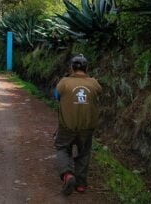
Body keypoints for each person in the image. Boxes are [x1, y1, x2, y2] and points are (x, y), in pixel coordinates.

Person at [53, 54, 102, 196]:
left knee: (62, 148)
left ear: (72, 68)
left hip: (67, 126)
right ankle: (80, 184)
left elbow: (56, 96)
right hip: (87, 127)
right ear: (87, 68)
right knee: (84, 153)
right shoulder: (94, 83)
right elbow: (99, 93)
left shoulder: (64, 82)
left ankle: (67, 175)